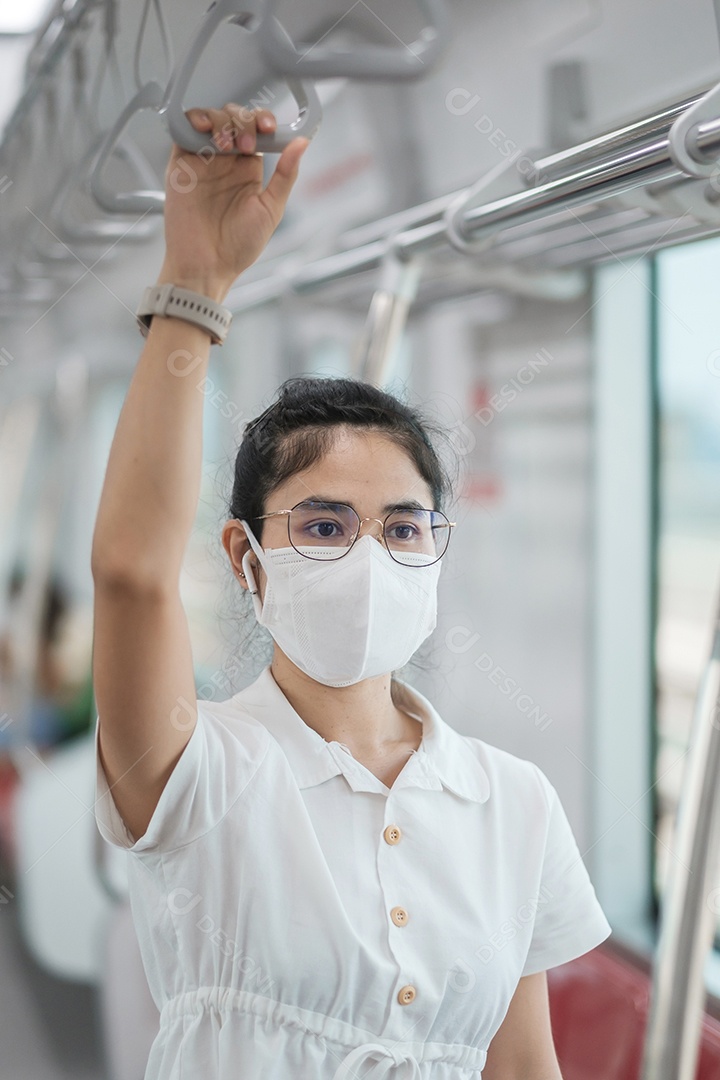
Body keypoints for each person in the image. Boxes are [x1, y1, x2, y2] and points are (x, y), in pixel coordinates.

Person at [91, 104, 611, 1080]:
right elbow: (130, 573)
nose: (370, 559)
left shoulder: (515, 803)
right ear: (246, 561)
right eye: (323, 526)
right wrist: (195, 287)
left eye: (403, 528)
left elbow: (523, 1066)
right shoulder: (197, 767)